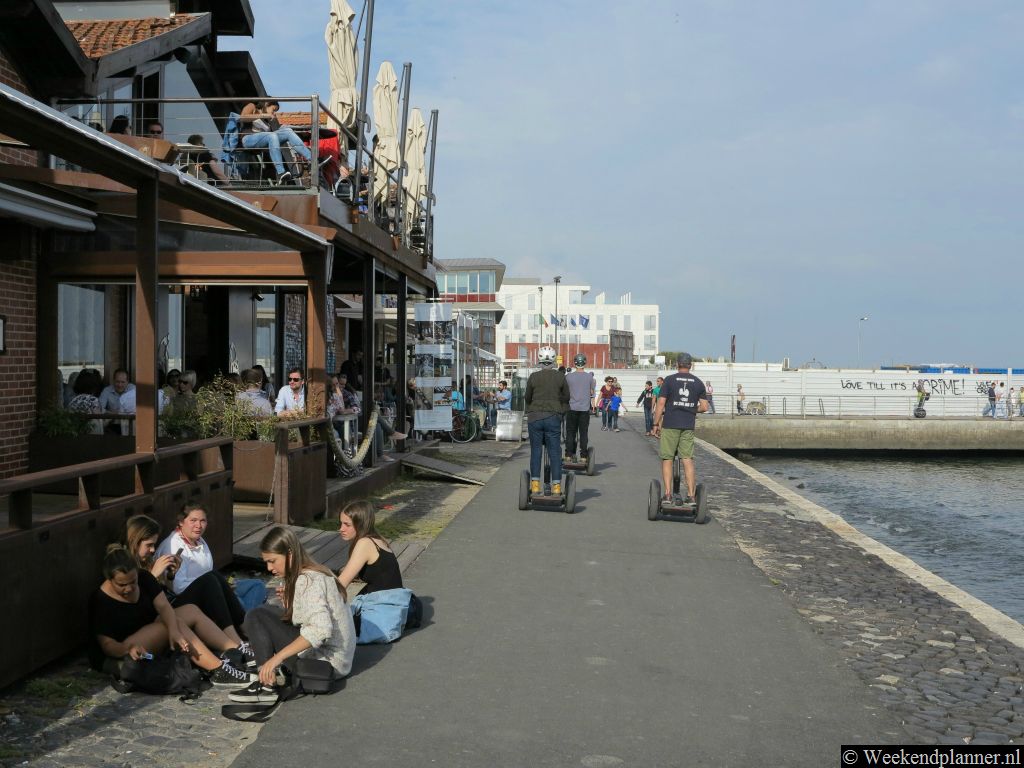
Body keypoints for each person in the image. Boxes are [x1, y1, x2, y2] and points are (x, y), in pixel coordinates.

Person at [89, 546, 255, 686]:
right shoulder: (100, 600)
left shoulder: (145, 578)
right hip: (126, 646)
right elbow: (107, 645)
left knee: (189, 610)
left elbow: (164, 606)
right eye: (122, 585)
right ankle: (216, 669)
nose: (129, 588)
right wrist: (127, 649)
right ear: (109, 579)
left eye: (133, 581)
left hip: (149, 628)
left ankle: (235, 651)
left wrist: (174, 631)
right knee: (174, 624)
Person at [229, 527, 356, 704]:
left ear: (289, 554)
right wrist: (291, 604)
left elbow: (320, 629)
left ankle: (266, 684)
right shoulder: (319, 571)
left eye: (272, 561)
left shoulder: (307, 581)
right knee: (266, 611)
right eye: (266, 562)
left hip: (326, 663)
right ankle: (266, 670)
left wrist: (276, 658)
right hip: (341, 659)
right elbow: (310, 619)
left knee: (256, 615)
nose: (269, 568)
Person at [132, 511, 253, 645]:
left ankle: (247, 631)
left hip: (171, 605)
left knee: (217, 577)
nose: (153, 550)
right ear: (135, 542)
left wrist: (171, 574)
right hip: (160, 615)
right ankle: (236, 641)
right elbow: (139, 602)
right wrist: (153, 576)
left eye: (203, 521)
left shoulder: (146, 560)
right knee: (210, 582)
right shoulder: (128, 567)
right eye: (149, 545)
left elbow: (162, 590)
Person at [652, 353, 708, 505]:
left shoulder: (669, 380)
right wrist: (690, 409)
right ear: (691, 365)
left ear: (677, 364)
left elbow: (661, 404)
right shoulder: (698, 383)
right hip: (687, 426)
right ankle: (691, 496)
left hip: (670, 424)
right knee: (687, 459)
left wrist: (655, 424)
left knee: (667, 458)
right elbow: (704, 407)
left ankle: (668, 495)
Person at [525, 345, 569, 496]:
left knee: (536, 451)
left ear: (539, 359)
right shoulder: (560, 377)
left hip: (535, 418)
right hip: (553, 417)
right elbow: (566, 398)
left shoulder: (533, 377)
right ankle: (556, 486)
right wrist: (560, 411)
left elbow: (527, 398)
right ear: (554, 359)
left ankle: (535, 485)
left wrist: (534, 408)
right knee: (554, 452)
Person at [336, 501, 404, 594]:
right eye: (341, 523)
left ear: (361, 524)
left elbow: (341, 584)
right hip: (394, 599)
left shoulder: (365, 543)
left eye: (347, 525)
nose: (341, 529)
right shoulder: (377, 539)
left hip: (383, 603)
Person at [239, 100, 312, 185]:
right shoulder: (252, 106)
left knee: (287, 131)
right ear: (266, 104)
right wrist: (264, 115)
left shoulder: (267, 121)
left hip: (262, 142)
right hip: (247, 139)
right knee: (272, 135)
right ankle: (281, 172)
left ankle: (311, 159)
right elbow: (242, 117)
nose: (274, 113)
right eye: (273, 109)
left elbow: (270, 140)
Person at [563, 355, 595, 460]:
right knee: (583, 433)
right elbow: (591, 392)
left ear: (575, 363)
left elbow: (565, 392)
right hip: (584, 409)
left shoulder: (568, 377)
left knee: (570, 432)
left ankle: (568, 454)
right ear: (584, 363)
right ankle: (584, 456)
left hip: (572, 408)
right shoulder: (590, 377)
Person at [67, 368, 104, 434]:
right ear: (96, 386)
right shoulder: (93, 400)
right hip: (89, 436)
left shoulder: (74, 400)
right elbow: (98, 419)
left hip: (73, 434)